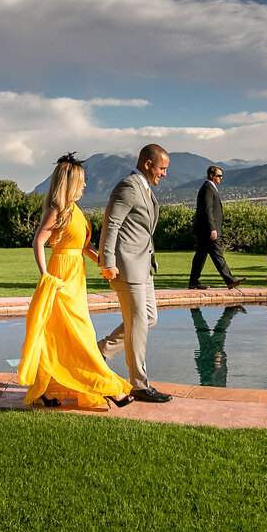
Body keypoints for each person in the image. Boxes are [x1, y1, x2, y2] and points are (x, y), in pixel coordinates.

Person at [18, 154, 133, 409]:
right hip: (60, 278)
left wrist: (105, 264)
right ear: (69, 184)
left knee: (60, 337)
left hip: (75, 277)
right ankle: (109, 387)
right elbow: (38, 241)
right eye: (81, 182)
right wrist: (46, 275)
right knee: (80, 334)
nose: (84, 186)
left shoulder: (75, 211)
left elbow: (84, 245)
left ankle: (47, 390)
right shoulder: (57, 210)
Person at [98, 144, 172, 403]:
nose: (164, 173)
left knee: (149, 318)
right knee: (139, 321)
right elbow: (111, 224)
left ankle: (100, 352)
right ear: (148, 164)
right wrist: (107, 261)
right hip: (126, 267)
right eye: (162, 168)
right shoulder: (128, 186)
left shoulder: (145, 189)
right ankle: (139, 384)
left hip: (143, 267)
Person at [188, 166, 245, 290]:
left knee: (200, 256)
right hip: (208, 230)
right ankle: (230, 280)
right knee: (217, 254)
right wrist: (212, 228)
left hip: (205, 229)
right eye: (219, 176)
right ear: (212, 176)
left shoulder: (209, 188)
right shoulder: (208, 188)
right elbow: (207, 210)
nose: (221, 178)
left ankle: (193, 282)